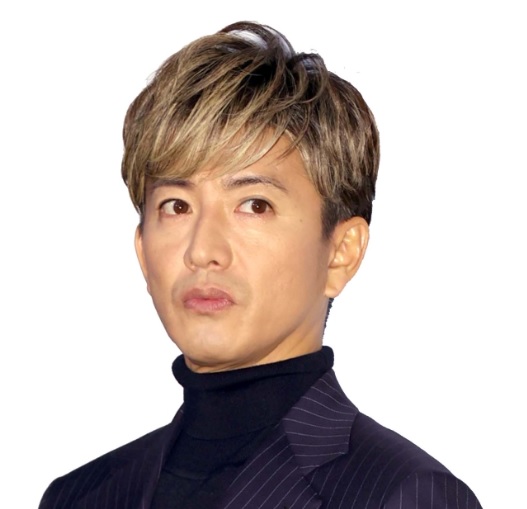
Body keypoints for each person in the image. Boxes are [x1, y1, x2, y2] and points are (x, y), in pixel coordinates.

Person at [38, 21, 482, 509]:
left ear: (341, 251)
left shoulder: (402, 494)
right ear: (143, 251)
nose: (203, 249)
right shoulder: (79, 497)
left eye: (254, 205)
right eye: (177, 206)